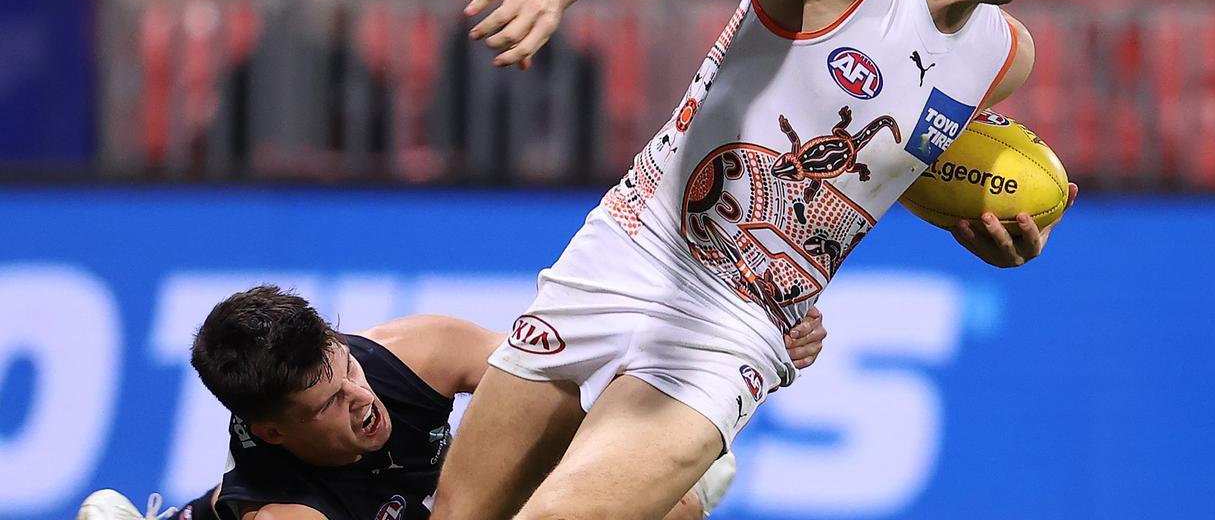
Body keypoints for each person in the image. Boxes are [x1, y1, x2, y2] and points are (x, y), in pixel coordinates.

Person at [431, 0, 1081, 519]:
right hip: (624, 249)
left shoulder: (1005, 57)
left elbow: (891, 164)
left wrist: (992, 234)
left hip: (736, 328)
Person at [77, 285, 827, 520]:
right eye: (328, 402)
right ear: (272, 430)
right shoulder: (287, 512)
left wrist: (741, 351)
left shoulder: (414, 352)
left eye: (345, 367)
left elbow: (573, 380)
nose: (360, 400)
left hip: (419, 497)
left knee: (668, 501)